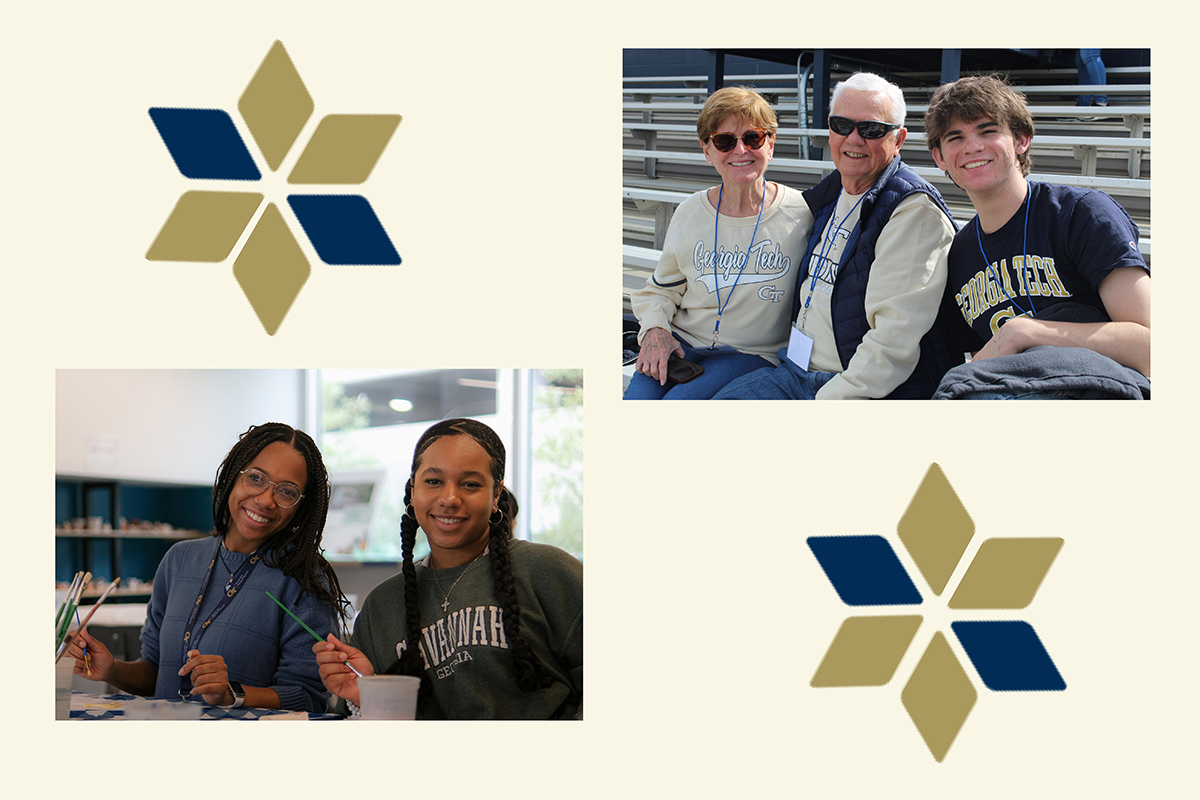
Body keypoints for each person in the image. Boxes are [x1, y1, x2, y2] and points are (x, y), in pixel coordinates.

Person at [65, 422, 348, 712]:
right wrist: (112, 670)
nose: (265, 500)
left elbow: (308, 697)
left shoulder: (302, 579)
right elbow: (156, 671)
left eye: (287, 492)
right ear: (233, 476)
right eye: (255, 478)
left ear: (301, 506)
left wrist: (232, 694)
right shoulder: (179, 559)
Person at [313, 418, 583, 719]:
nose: (450, 499)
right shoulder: (382, 606)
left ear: (496, 496)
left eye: (470, 484)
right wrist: (367, 694)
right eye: (433, 481)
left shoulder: (547, 571)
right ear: (413, 489)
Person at [714, 72, 959, 399]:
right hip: (795, 370)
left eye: (871, 130)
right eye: (842, 125)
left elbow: (892, 343)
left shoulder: (913, 212)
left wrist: (831, 401)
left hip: (849, 385)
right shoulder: (827, 197)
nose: (853, 139)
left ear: (898, 140)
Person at [923, 75, 1150, 399]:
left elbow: (1151, 346)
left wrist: (1024, 332)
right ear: (940, 158)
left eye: (987, 130)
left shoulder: (1080, 213)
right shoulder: (960, 254)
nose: (972, 146)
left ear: (1021, 140)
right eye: (955, 137)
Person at [625, 86, 812, 399]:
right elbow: (661, 289)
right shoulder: (689, 211)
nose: (740, 150)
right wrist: (655, 329)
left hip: (748, 355)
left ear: (771, 144)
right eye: (725, 141)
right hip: (679, 346)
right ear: (707, 150)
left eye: (753, 138)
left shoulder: (802, 214)